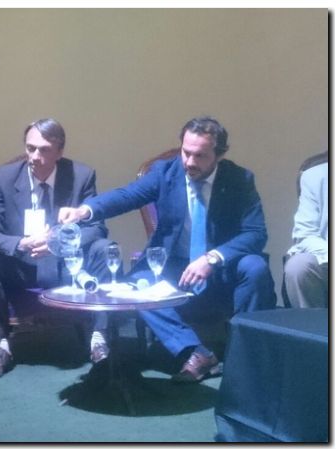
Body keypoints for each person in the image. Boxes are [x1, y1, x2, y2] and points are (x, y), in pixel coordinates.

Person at [60, 116, 276, 383]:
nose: (190, 162)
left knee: (255, 267)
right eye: (186, 152)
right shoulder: (166, 172)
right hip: (173, 264)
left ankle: (248, 356)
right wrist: (85, 210)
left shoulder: (239, 179)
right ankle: (196, 353)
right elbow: (127, 196)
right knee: (138, 286)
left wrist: (212, 258)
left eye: (200, 155)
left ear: (219, 155)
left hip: (222, 267)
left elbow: (255, 233)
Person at [0, 118, 117, 380]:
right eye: (30, 148)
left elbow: (96, 229)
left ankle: (99, 339)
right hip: (20, 266)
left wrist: (58, 244)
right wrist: (19, 244)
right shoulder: (1, 179)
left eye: (44, 149)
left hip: (67, 267)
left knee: (105, 249)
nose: (35, 156)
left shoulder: (81, 176)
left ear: (60, 151)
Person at [284, 159, 328, 308]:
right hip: (327, 256)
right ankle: (311, 323)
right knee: (298, 266)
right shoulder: (315, 176)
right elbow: (306, 233)